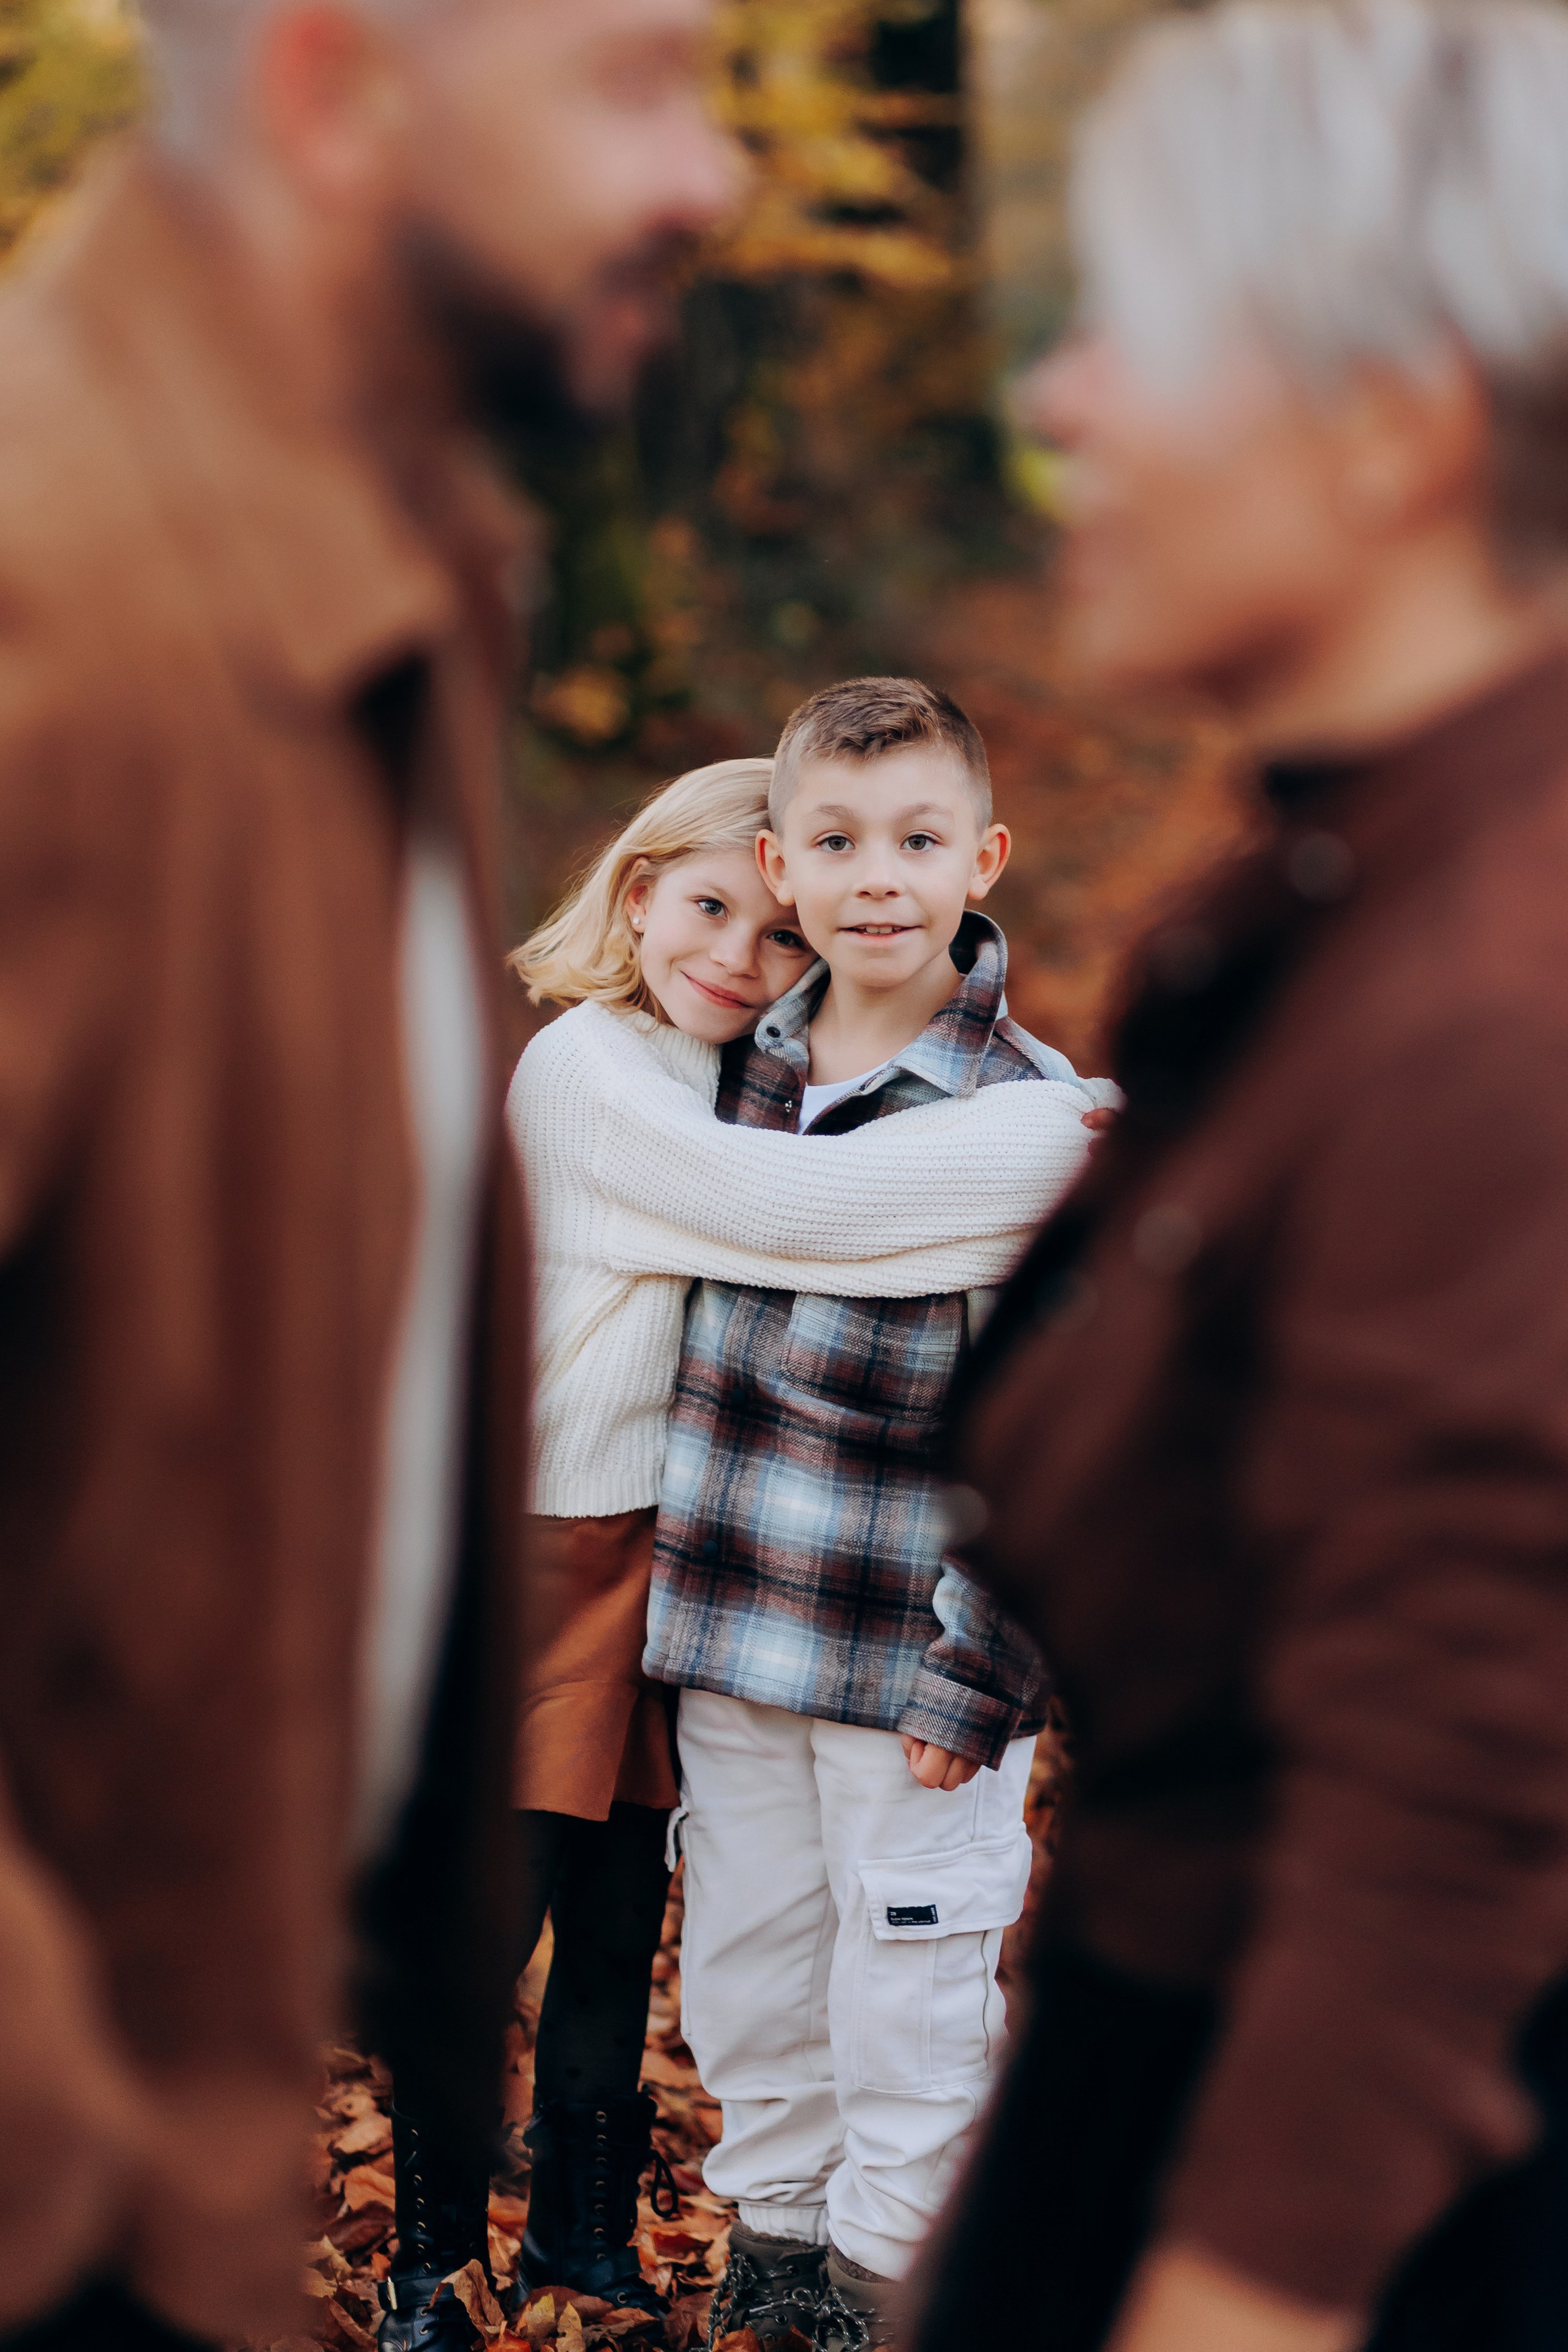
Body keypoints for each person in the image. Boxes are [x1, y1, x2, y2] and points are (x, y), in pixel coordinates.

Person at [0, 2, 735, 2348]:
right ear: (336, 89)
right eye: (635, 80)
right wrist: (81, 2173)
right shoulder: (58, 599)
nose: (713, 178)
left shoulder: (368, 594)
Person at [907, 6, 1568, 2351]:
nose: (1064, 401)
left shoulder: (1497, 994)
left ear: (1393, 422)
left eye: (1134, 330)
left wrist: (1236, 2290)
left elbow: (1450, 1814)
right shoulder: (1358, 881)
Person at [393, 754, 1102, 2332]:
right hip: (540, 1554)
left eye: (775, 935)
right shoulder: (589, 1070)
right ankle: (426, 2270)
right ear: (636, 893)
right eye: (706, 910)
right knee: (489, 1927)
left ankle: (582, 2250)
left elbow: (846, 1208)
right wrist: (1079, 1140)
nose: (737, 957)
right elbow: (795, 1215)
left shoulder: (743, 1069)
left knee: (619, 1938)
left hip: (675, 1558)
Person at [640, 682, 1118, 2352]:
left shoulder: (1025, 1121)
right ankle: (776, 2251)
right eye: (836, 843)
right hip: (733, 1639)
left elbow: (1058, 1443)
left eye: (919, 840)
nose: (879, 880)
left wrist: (983, 1674)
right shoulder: (718, 1085)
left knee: (910, 1994)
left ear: (983, 858)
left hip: (913, 1662)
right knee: (752, 1978)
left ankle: (888, 2286)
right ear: (782, 866)